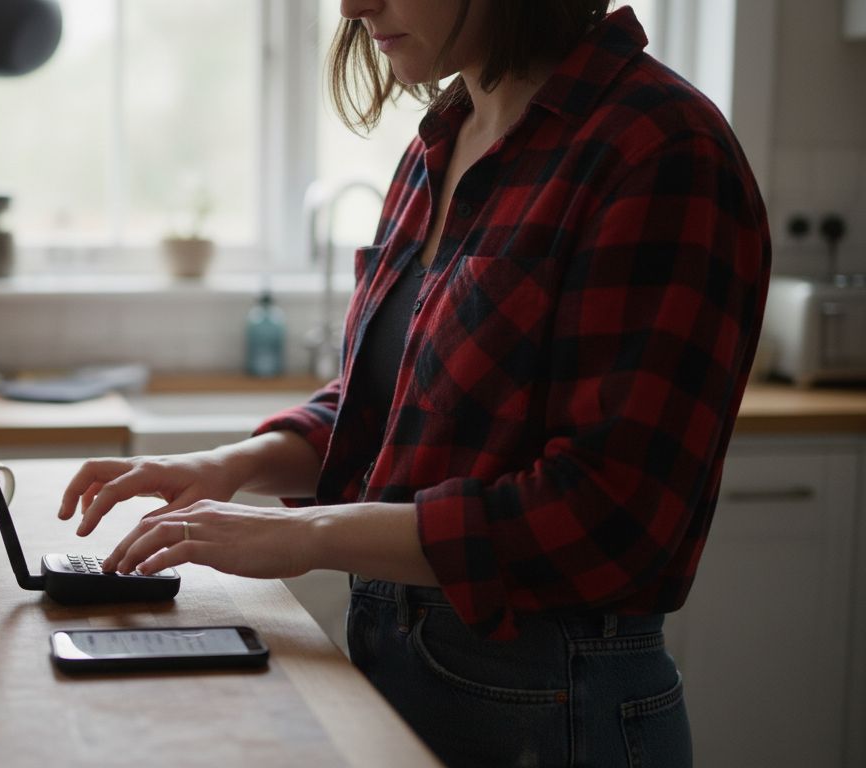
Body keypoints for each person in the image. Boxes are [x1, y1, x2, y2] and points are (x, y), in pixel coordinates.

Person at [58, 1, 770, 765]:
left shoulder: (660, 149)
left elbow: (609, 516)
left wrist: (307, 534)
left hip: (557, 704)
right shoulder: (445, 137)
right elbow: (400, 405)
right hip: (405, 674)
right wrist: (228, 466)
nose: (352, 5)